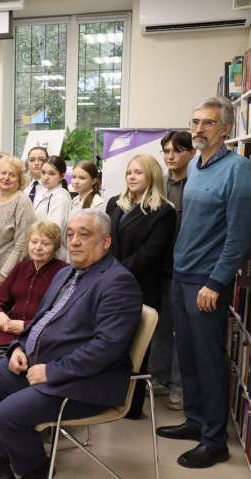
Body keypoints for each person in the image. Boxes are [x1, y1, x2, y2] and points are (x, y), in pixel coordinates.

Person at [0, 210, 143, 479]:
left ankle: (37, 471)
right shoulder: (67, 273)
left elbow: (106, 347)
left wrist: (52, 371)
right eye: (71, 234)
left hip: (82, 382)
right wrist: (18, 347)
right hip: (39, 364)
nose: (74, 241)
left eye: (84, 234)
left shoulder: (118, 282)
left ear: (106, 242)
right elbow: (40, 321)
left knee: (7, 414)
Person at [157, 97, 251, 469]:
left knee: (209, 359)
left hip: (206, 281)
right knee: (189, 356)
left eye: (208, 123)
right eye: (194, 121)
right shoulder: (195, 166)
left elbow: (239, 236)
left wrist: (216, 282)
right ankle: (195, 421)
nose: (198, 129)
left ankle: (214, 440)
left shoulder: (239, 170)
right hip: (181, 276)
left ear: (225, 129)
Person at [106, 153, 176, 419]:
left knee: (137, 347)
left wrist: (115, 273)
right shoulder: (115, 203)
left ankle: (132, 405)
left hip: (141, 287)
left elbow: (151, 252)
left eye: (138, 172)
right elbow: (104, 240)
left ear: (152, 176)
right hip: (110, 285)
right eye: (129, 172)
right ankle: (108, 397)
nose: (132, 177)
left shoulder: (164, 211)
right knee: (112, 342)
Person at [149, 131, 195, 411]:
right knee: (160, 325)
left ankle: (179, 384)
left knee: (183, 330)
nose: (170, 156)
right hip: (160, 267)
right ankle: (159, 378)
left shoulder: (197, 185)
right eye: (166, 151)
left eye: (176, 151)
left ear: (191, 153)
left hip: (188, 267)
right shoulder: (159, 185)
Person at [0, 221, 66, 364]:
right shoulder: (21, 267)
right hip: (9, 333)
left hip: (39, 337)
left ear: (55, 247)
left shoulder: (63, 272)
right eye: (34, 242)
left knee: (6, 364)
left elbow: (62, 316)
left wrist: (27, 326)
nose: (38, 247)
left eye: (45, 243)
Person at [0, 156, 36, 291]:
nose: (6, 178)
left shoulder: (22, 202)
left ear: (20, 179)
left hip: (5, 279)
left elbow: (22, 243)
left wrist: (5, 274)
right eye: (3, 173)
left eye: (12, 175)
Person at [34, 156, 72, 259]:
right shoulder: (44, 192)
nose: (45, 177)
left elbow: (53, 231)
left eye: (51, 173)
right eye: (43, 172)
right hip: (41, 250)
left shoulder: (61, 197)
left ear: (62, 176)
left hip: (53, 255)